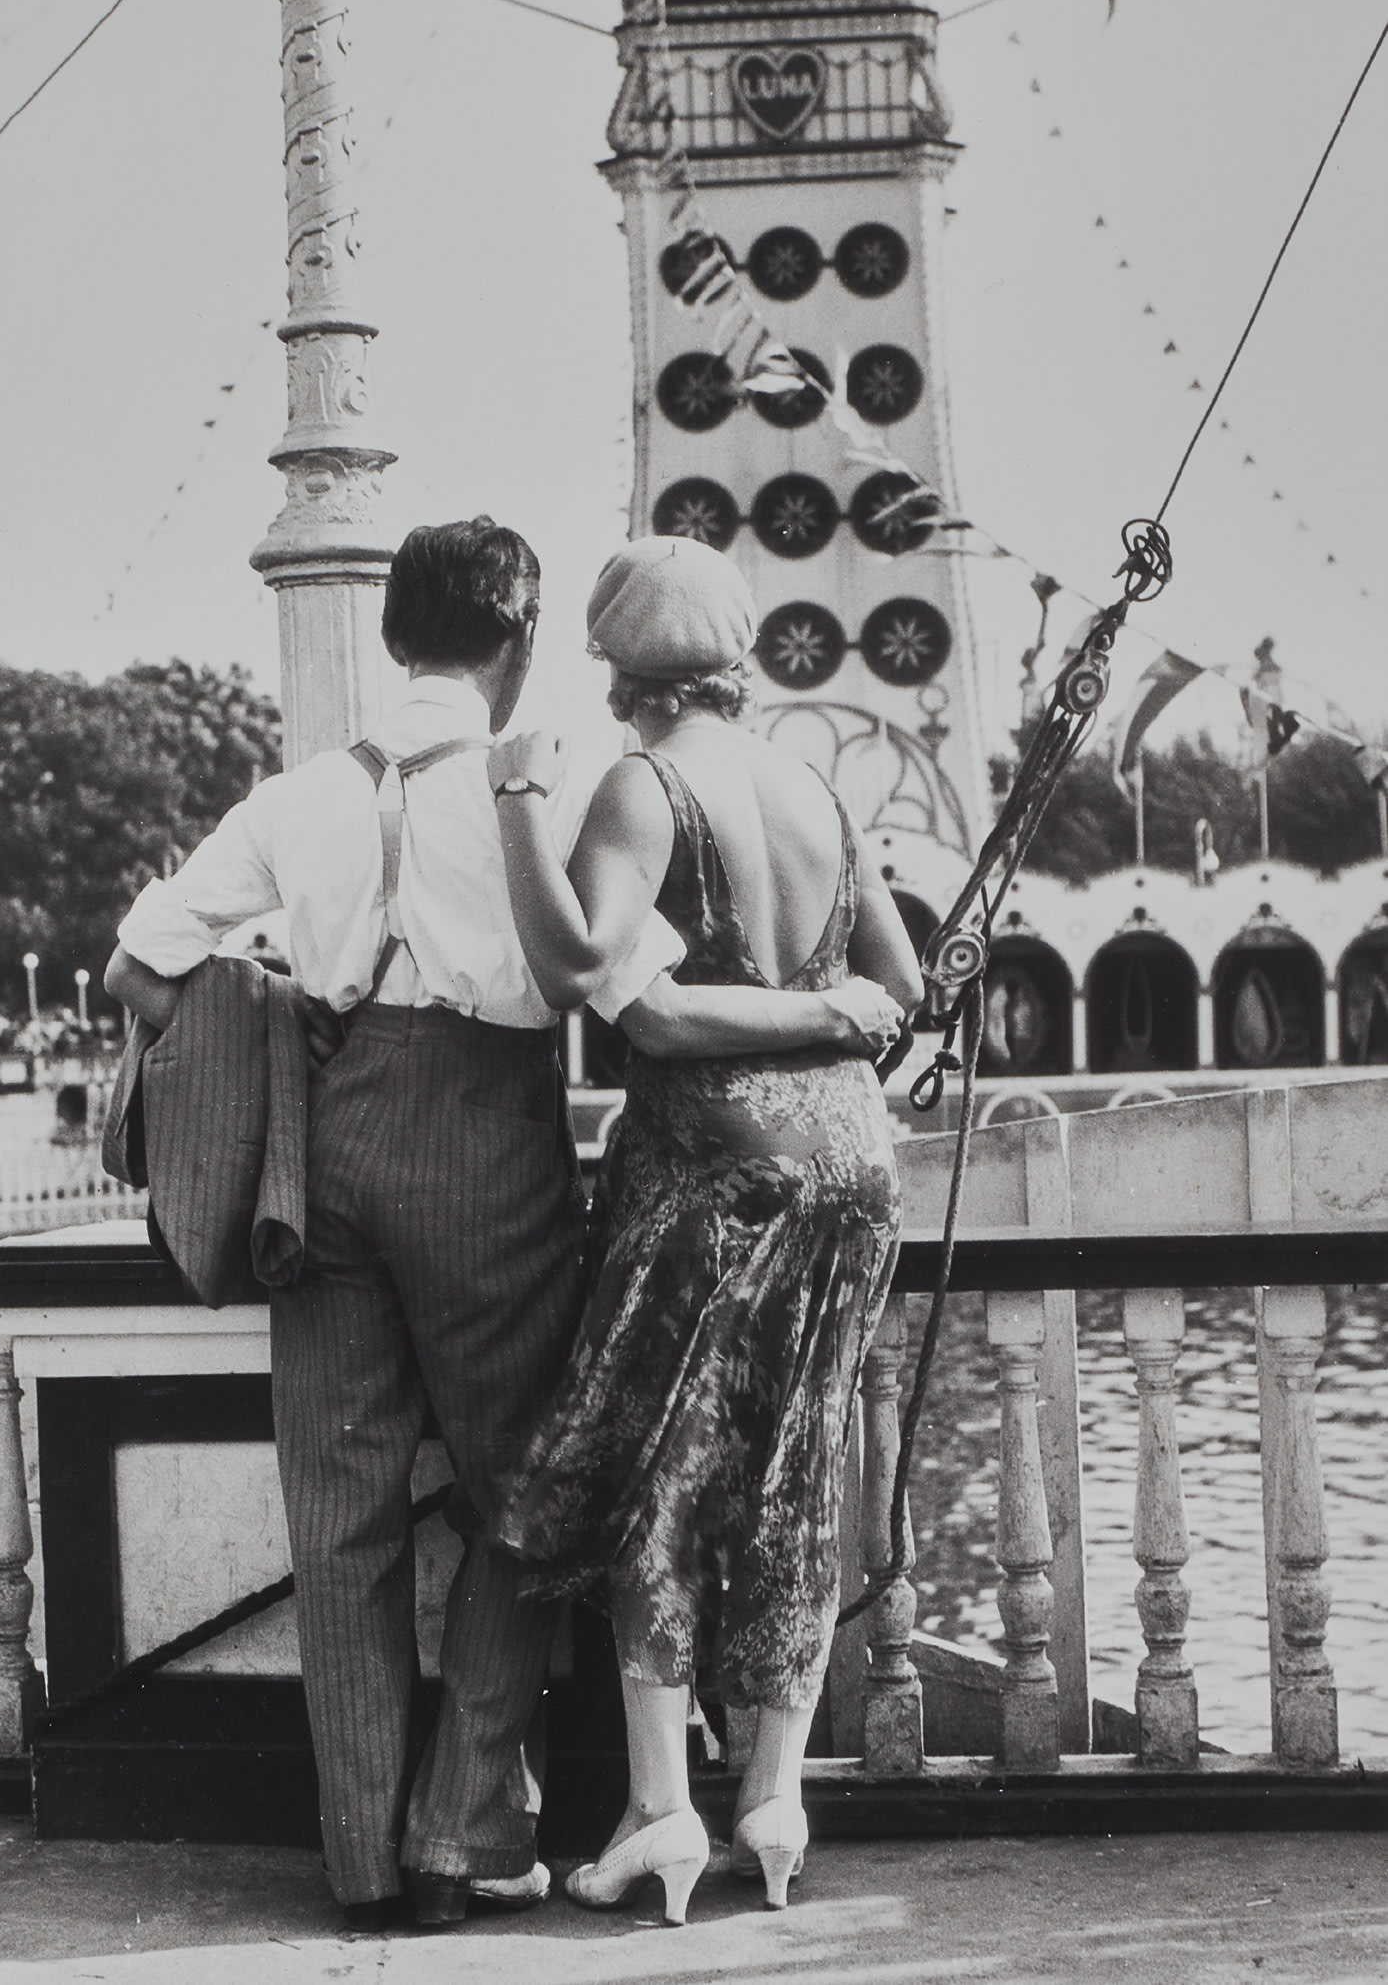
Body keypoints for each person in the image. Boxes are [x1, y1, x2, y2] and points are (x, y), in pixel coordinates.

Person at [104, 517, 901, 1932]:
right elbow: (624, 991)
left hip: (329, 1149)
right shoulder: (554, 789)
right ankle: (459, 1835)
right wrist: (834, 1015)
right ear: (521, 637)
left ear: (392, 635)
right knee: (525, 1498)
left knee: (340, 1516)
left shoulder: (298, 796)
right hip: (488, 1157)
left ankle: (360, 1861)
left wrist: (277, 1033)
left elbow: (141, 970)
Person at [486, 535, 924, 1926]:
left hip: (712, 1169)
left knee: (664, 1478)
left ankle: (662, 1812)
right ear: (736, 657)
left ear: (622, 672)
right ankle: (777, 1804)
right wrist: (828, 1014)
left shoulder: (643, 782)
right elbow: (896, 988)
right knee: (795, 1468)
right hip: (854, 1164)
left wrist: (513, 812)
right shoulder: (812, 785)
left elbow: (620, 994)